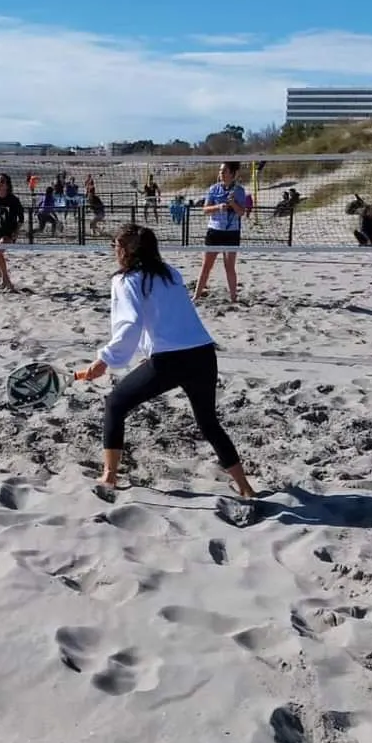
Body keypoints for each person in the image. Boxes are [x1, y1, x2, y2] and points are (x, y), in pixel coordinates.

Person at [76, 223, 255, 500]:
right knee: (208, 423)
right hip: (204, 354)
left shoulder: (126, 280)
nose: (114, 250)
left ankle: (109, 477)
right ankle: (245, 487)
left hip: (170, 361)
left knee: (115, 404)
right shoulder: (170, 273)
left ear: (126, 251)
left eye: (115, 245)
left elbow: (130, 325)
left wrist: (104, 360)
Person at [193, 161, 249, 302]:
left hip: (231, 232)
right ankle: (196, 296)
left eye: (224, 171)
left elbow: (242, 212)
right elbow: (205, 210)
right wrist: (219, 207)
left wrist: (233, 204)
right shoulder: (213, 189)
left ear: (232, 174)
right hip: (215, 231)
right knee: (206, 265)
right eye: (220, 171)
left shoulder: (239, 191)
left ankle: (233, 298)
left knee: (229, 266)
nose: (221, 173)